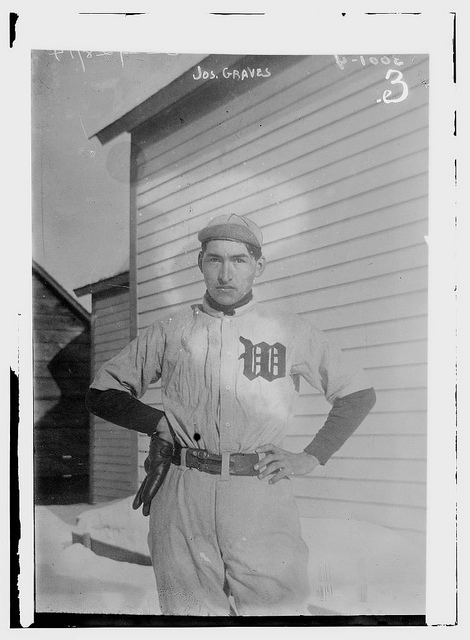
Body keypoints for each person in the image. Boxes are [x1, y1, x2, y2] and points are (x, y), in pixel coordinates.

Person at [86, 214, 376, 616]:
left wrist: (311, 455)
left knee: (277, 612)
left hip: (258, 489)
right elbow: (103, 391)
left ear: (259, 266)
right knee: (190, 616)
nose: (225, 273)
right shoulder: (173, 328)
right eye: (215, 260)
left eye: (238, 260)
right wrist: (157, 423)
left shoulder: (289, 330)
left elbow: (357, 392)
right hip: (183, 491)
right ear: (200, 264)